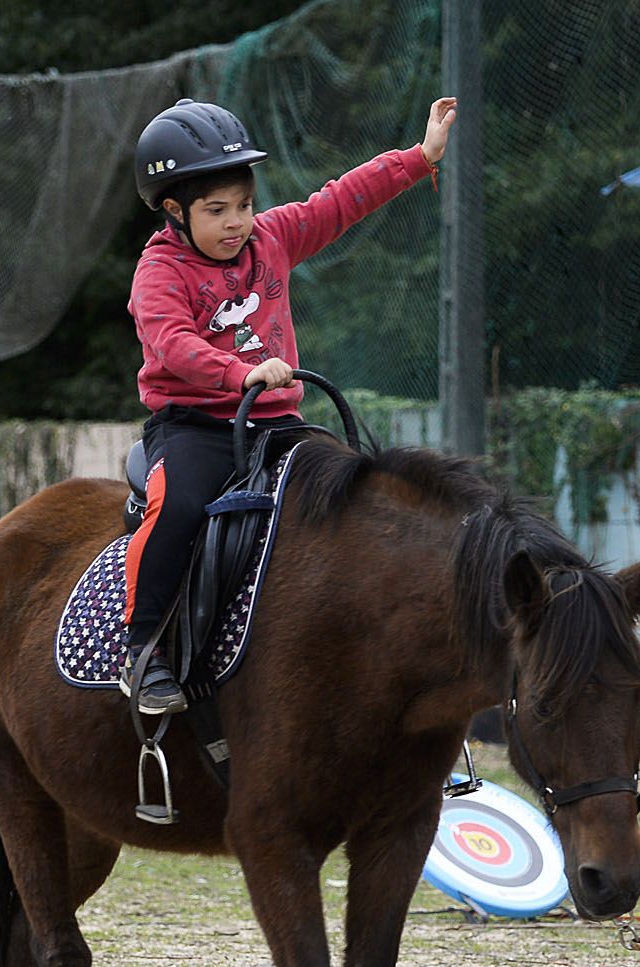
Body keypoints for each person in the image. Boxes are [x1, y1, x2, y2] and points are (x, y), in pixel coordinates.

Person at [118, 95, 457, 712]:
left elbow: (339, 201)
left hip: (280, 425)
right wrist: (240, 373)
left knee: (355, 491)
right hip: (196, 426)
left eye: (243, 205)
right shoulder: (159, 271)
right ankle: (142, 652)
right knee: (179, 506)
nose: (237, 223)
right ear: (174, 211)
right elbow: (172, 344)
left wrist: (419, 157)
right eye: (216, 211)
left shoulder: (271, 239)